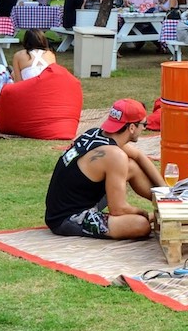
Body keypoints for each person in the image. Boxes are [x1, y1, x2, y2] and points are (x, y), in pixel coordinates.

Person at [43, 99, 160, 238]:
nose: (144, 128)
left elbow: (139, 156)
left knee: (131, 167)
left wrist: (167, 192)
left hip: (69, 203)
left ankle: (165, 205)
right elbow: (118, 210)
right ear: (132, 128)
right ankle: (158, 216)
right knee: (140, 225)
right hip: (67, 218)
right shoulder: (115, 155)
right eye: (143, 124)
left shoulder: (96, 133)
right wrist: (144, 213)